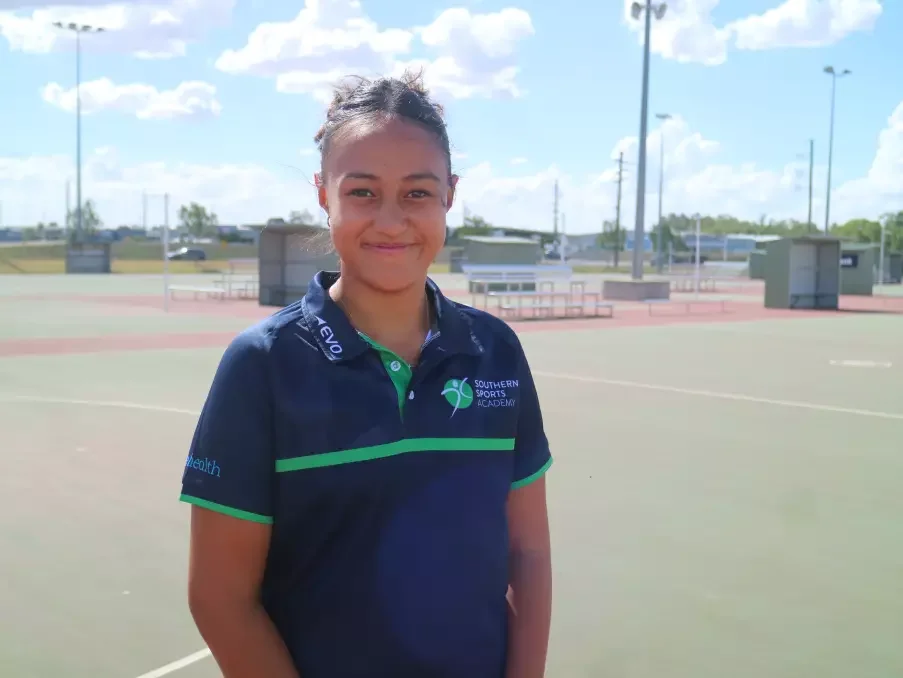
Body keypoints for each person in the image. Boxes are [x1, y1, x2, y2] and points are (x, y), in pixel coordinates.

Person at [180, 71, 553, 678]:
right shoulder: (263, 365)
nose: (390, 220)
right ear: (323, 194)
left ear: (449, 195)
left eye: (417, 193)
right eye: (362, 192)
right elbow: (220, 598)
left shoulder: (496, 352)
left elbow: (528, 551)